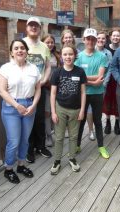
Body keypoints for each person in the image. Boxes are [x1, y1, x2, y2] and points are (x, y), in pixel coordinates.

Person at [0, 39, 41, 183]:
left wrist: (33, 105)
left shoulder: (33, 68)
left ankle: (21, 165)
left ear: (26, 51)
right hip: (11, 108)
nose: (20, 50)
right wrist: (17, 106)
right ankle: (8, 169)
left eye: (22, 48)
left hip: (29, 106)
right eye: (16, 48)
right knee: (14, 141)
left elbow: (38, 89)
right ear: (11, 52)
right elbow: (2, 91)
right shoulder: (5, 68)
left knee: (24, 140)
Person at [50, 44, 87, 175]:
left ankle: (72, 157)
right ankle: (57, 160)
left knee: (73, 136)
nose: (68, 57)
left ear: (75, 55)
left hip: (76, 109)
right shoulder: (57, 72)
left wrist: (82, 110)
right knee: (59, 137)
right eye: (65, 54)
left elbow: (83, 93)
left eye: (70, 54)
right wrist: (53, 112)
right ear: (61, 56)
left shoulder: (80, 72)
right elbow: (53, 94)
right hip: (60, 108)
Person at [75, 28, 110, 159]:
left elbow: (100, 77)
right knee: (81, 119)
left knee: (97, 120)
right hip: (83, 94)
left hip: (97, 94)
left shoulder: (102, 56)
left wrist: (84, 78)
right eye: (88, 38)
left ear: (96, 41)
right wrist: (92, 81)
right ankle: (77, 145)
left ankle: (101, 146)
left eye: (93, 39)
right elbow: (76, 77)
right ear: (84, 40)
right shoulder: (78, 56)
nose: (90, 41)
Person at [24, 17, 52, 163]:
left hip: (39, 88)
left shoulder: (44, 47)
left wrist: (45, 79)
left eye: (36, 26)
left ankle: (41, 146)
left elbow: (47, 66)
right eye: (31, 25)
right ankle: (29, 149)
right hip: (25, 90)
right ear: (27, 28)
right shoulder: (21, 44)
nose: (34, 28)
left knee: (40, 118)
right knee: (28, 118)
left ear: (40, 28)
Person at [61, 29, 95, 141]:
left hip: (80, 87)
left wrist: (86, 80)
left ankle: (89, 131)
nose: (68, 39)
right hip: (64, 85)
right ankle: (67, 131)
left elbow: (78, 72)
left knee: (86, 111)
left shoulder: (79, 53)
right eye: (66, 37)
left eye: (70, 37)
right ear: (62, 39)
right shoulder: (59, 53)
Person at [101, 28, 120, 135]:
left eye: (117, 36)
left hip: (119, 79)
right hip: (108, 80)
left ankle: (117, 123)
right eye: (114, 35)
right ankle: (108, 122)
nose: (115, 37)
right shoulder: (105, 49)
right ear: (110, 37)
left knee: (118, 101)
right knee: (107, 100)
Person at [41, 34, 61, 147]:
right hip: (46, 87)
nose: (49, 44)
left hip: (57, 87)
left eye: (51, 42)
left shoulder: (56, 55)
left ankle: (54, 132)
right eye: (47, 42)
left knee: (57, 111)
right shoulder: (41, 55)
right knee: (47, 112)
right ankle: (48, 135)